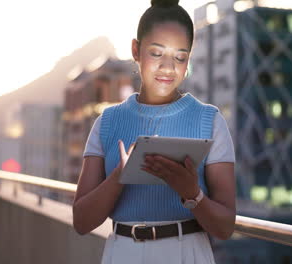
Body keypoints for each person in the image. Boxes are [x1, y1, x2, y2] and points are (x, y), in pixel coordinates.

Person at [72, 0, 236, 263]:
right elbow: (81, 221)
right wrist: (120, 175)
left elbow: (226, 227)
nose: (168, 67)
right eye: (157, 53)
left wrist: (192, 193)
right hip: (124, 252)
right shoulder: (108, 122)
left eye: (180, 57)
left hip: (188, 253)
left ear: (188, 59)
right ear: (136, 50)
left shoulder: (210, 120)